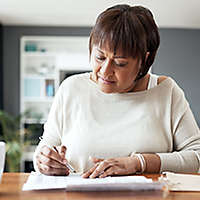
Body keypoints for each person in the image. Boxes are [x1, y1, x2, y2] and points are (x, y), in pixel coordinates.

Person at [33, 4, 200, 178]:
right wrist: (44, 162)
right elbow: (45, 148)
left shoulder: (166, 92)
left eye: (120, 63)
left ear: (145, 59)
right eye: (100, 57)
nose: (105, 71)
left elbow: (196, 157)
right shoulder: (71, 88)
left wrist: (139, 163)